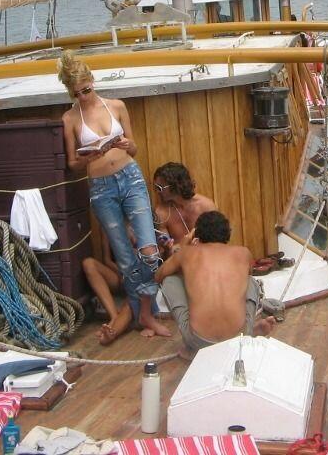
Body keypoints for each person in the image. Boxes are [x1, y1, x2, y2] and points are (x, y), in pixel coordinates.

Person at [58, 52, 171, 344]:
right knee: (123, 256)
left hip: (129, 177)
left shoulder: (117, 106)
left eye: (87, 89)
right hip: (100, 186)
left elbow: (134, 149)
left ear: (93, 81)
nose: (83, 96)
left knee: (148, 250)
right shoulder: (70, 118)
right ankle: (147, 312)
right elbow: (72, 163)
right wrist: (90, 157)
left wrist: (125, 143)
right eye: (77, 93)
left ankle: (142, 312)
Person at [154, 210, 276, 359]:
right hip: (239, 336)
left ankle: (193, 350)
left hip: (198, 341)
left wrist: (182, 247)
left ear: (196, 235)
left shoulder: (186, 253)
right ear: (227, 234)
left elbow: (158, 276)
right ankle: (250, 330)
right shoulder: (244, 253)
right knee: (250, 281)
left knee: (170, 280)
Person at [152, 162, 216, 255]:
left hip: (207, 257)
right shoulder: (161, 213)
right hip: (179, 261)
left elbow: (218, 243)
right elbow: (165, 253)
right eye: (156, 187)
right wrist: (168, 249)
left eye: (160, 188)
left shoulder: (206, 206)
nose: (157, 192)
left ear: (175, 185)